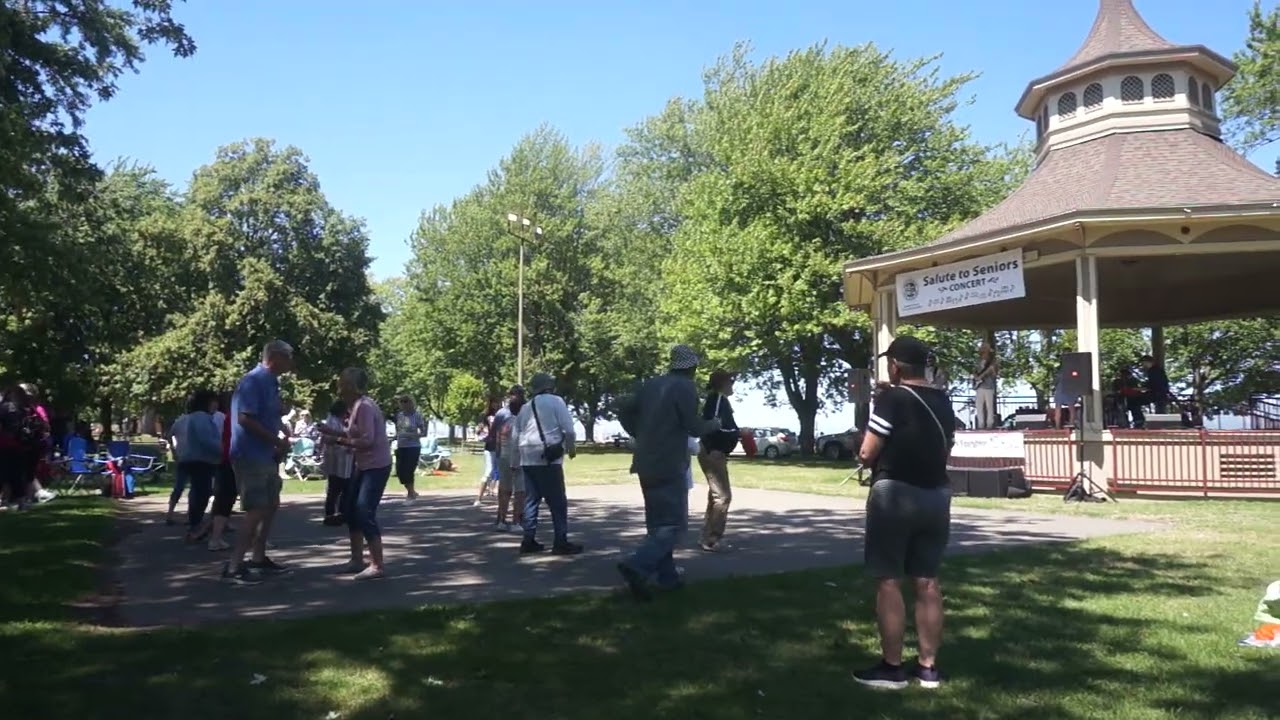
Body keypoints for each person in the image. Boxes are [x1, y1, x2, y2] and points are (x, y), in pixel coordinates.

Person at [854, 335, 956, 691]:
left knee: (888, 580)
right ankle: (928, 668)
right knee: (927, 580)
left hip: (895, 493)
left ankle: (892, 666)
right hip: (937, 495)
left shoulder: (891, 398)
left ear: (895, 365)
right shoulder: (943, 401)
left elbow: (868, 452)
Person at [615, 345, 721, 601]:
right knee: (673, 526)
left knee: (657, 525)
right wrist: (714, 424)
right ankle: (637, 565)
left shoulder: (650, 385)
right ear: (692, 367)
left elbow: (623, 408)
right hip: (669, 463)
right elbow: (694, 427)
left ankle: (668, 577)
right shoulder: (685, 388)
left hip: (644, 462)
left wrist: (639, 432)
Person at [222, 340, 295, 585]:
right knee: (256, 510)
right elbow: (244, 419)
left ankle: (258, 558)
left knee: (271, 504)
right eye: (289, 356)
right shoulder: (254, 380)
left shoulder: (272, 382)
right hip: (250, 454)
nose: (291, 362)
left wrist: (281, 429)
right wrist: (276, 440)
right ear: (275, 356)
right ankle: (234, 567)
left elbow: (268, 415)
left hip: (266, 455)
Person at [329, 367, 393, 580]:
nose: (339, 387)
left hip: (376, 465)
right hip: (363, 465)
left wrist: (339, 440)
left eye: (343, 383)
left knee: (364, 510)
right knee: (349, 509)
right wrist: (334, 432)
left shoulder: (364, 406)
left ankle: (377, 565)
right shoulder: (357, 405)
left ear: (351, 386)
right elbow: (354, 433)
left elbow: (367, 440)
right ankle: (357, 560)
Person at [511, 372, 582, 555]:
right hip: (548, 457)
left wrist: (514, 460)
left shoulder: (525, 408)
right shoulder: (556, 401)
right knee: (557, 501)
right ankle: (560, 540)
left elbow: (515, 435)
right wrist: (571, 449)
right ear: (550, 385)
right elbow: (569, 430)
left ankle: (528, 540)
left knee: (531, 500)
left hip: (527, 457)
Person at [697, 369, 740, 552]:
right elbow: (714, 426)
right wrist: (739, 433)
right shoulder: (717, 400)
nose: (733, 385)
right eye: (730, 381)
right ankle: (712, 539)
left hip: (713, 451)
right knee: (723, 496)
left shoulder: (719, 400)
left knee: (714, 495)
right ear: (722, 384)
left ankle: (707, 535)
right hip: (713, 451)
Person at [178, 390, 223, 544]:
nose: (216, 405)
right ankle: (196, 525)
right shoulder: (201, 418)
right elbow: (208, 441)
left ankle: (196, 524)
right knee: (201, 493)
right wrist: (224, 451)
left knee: (201, 492)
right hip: (201, 460)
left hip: (200, 459)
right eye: (213, 401)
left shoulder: (199, 417)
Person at [206, 392, 238, 552]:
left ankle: (215, 537)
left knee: (225, 497)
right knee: (255, 501)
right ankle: (257, 540)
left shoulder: (227, 416)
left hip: (226, 457)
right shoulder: (235, 416)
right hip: (236, 459)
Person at [492, 385, 526, 531]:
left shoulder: (527, 411)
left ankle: (517, 520)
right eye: (512, 394)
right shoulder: (502, 413)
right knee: (504, 489)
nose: (515, 397)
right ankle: (501, 519)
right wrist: (497, 452)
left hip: (523, 454)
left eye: (518, 394)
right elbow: (494, 433)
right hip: (505, 454)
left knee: (521, 490)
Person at [318, 399, 353, 526]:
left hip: (344, 458)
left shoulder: (341, 421)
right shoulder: (332, 421)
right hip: (336, 458)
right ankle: (331, 514)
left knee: (344, 488)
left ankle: (342, 513)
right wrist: (343, 441)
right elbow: (327, 438)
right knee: (335, 488)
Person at [392, 396, 427, 501]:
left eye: (406, 401)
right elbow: (398, 430)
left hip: (413, 446)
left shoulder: (417, 415)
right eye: (401, 402)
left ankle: (410, 493)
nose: (403, 404)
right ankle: (412, 492)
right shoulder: (399, 416)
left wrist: (414, 435)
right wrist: (394, 437)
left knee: (408, 470)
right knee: (399, 471)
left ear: (411, 403)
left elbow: (423, 432)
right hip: (401, 445)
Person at [473, 400, 500, 507]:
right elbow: (479, 431)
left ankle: (501, 498)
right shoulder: (485, 416)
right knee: (488, 471)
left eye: (497, 402)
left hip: (501, 447)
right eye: (494, 402)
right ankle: (478, 498)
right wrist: (481, 432)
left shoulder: (502, 414)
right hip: (490, 448)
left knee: (502, 473)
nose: (496, 404)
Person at [971, 342, 999, 429]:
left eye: (985, 350)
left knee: (989, 407)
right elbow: (974, 372)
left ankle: (989, 424)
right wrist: (976, 377)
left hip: (989, 386)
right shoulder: (978, 362)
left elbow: (995, 374)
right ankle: (980, 424)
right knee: (979, 406)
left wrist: (992, 370)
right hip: (979, 387)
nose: (984, 352)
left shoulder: (993, 362)